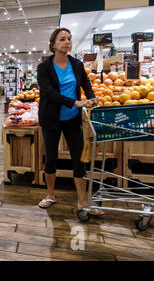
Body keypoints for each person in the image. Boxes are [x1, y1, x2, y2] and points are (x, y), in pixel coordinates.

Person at [37, 27, 103, 215]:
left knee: (78, 159)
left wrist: (92, 98)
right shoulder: (44, 67)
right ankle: (50, 195)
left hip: (73, 119)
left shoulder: (76, 64)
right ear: (53, 44)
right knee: (51, 157)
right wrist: (75, 102)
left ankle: (82, 200)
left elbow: (86, 84)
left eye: (68, 39)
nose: (66, 42)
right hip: (51, 119)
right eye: (62, 39)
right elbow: (48, 93)